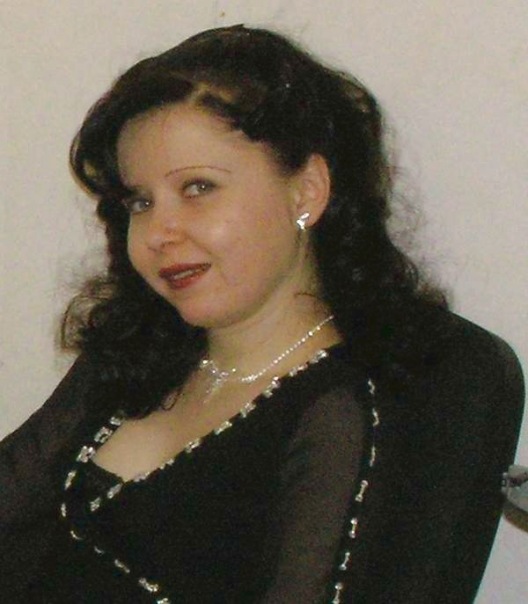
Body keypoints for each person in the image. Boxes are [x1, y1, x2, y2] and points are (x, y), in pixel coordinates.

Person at [0, 24, 524, 603]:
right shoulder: (140, 350)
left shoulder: (348, 409)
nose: (158, 232)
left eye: (198, 188)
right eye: (140, 202)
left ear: (307, 191)